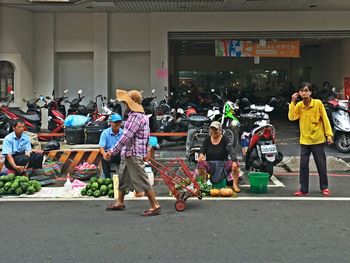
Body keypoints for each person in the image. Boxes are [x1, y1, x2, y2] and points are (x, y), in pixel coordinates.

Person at [105, 89, 161, 216]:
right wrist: (146, 151)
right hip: (129, 152)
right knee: (122, 176)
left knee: (142, 178)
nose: (125, 104)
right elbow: (147, 136)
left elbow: (126, 137)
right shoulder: (143, 116)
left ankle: (155, 205)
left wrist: (112, 151)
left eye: (127, 102)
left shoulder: (135, 117)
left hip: (133, 153)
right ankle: (120, 202)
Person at [288, 82, 333, 196]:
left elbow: (325, 119)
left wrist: (329, 135)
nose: (304, 93)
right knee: (303, 166)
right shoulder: (299, 106)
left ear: (311, 92)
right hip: (305, 141)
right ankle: (303, 189)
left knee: (321, 165)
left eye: (307, 90)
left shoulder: (317, 104)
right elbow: (292, 117)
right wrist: (293, 102)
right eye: (302, 91)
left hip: (318, 140)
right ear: (299, 93)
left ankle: (324, 187)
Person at [197, 121, 241, 193]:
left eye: (215, 129)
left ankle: (235, 185)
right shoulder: (207, 139)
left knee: (235, 165)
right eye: (212, 129)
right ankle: (204, 185)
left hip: (223, 163)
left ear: (220, 131)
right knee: (201, 164)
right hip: (210, 164)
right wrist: (201, 155)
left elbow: (231, 150)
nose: (213, 131)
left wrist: (234, 161)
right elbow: (202, 149)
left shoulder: (225, 139)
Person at [99, 113, 123, 179]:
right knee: (104, 158)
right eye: (116, 122)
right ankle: (107, 178)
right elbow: (101, 147)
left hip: (120, 154)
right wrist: (104, 154)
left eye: (119, 122)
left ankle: (123, 179)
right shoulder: (105, 133)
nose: (118, 124)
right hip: (109, 154)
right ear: (111, 123)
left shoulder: (123, 133)